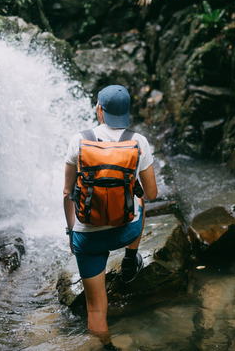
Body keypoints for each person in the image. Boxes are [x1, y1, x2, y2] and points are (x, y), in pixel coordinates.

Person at [63, 84, 158, 350]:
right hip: (124, 231)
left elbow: (66, 194)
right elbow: (151, 193)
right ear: (126, 113)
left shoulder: (79, 140)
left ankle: (106, 347)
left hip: (87, 237)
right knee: (139, 198)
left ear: (99, 110)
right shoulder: (139, 141)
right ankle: (130, 259)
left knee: (95, 309)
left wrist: (71, 234)